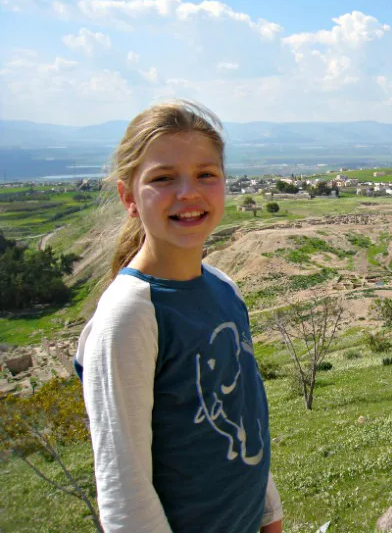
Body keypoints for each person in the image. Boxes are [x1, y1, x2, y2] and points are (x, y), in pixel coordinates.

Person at [74, 101, 283, 533]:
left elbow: (244, 414)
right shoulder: (129, 314)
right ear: (128, 197)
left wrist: (269, 514)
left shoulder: (224, 287)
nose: (188, 192)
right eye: (163, 178)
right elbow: (124, 492)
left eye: (206, 174)